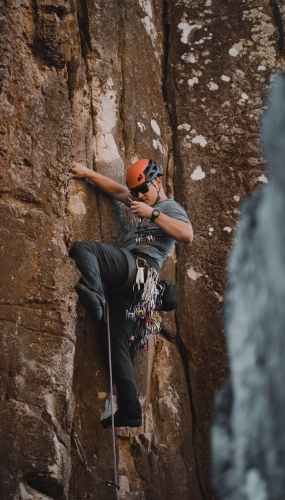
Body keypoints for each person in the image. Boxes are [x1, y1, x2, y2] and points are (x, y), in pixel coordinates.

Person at [69, 158, 193, 428]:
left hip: (141, 270)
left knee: (84, 249)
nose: (138, 196)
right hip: (135, 290)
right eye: (136, 192)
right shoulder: (140, 200)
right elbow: (117, 191)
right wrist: (87, 172)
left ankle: (97, 296)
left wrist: (154, 214)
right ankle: (130, 409)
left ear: (157, 183)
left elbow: (187, 234)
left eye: (143, 190)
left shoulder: (167, 207)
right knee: (113, 345)